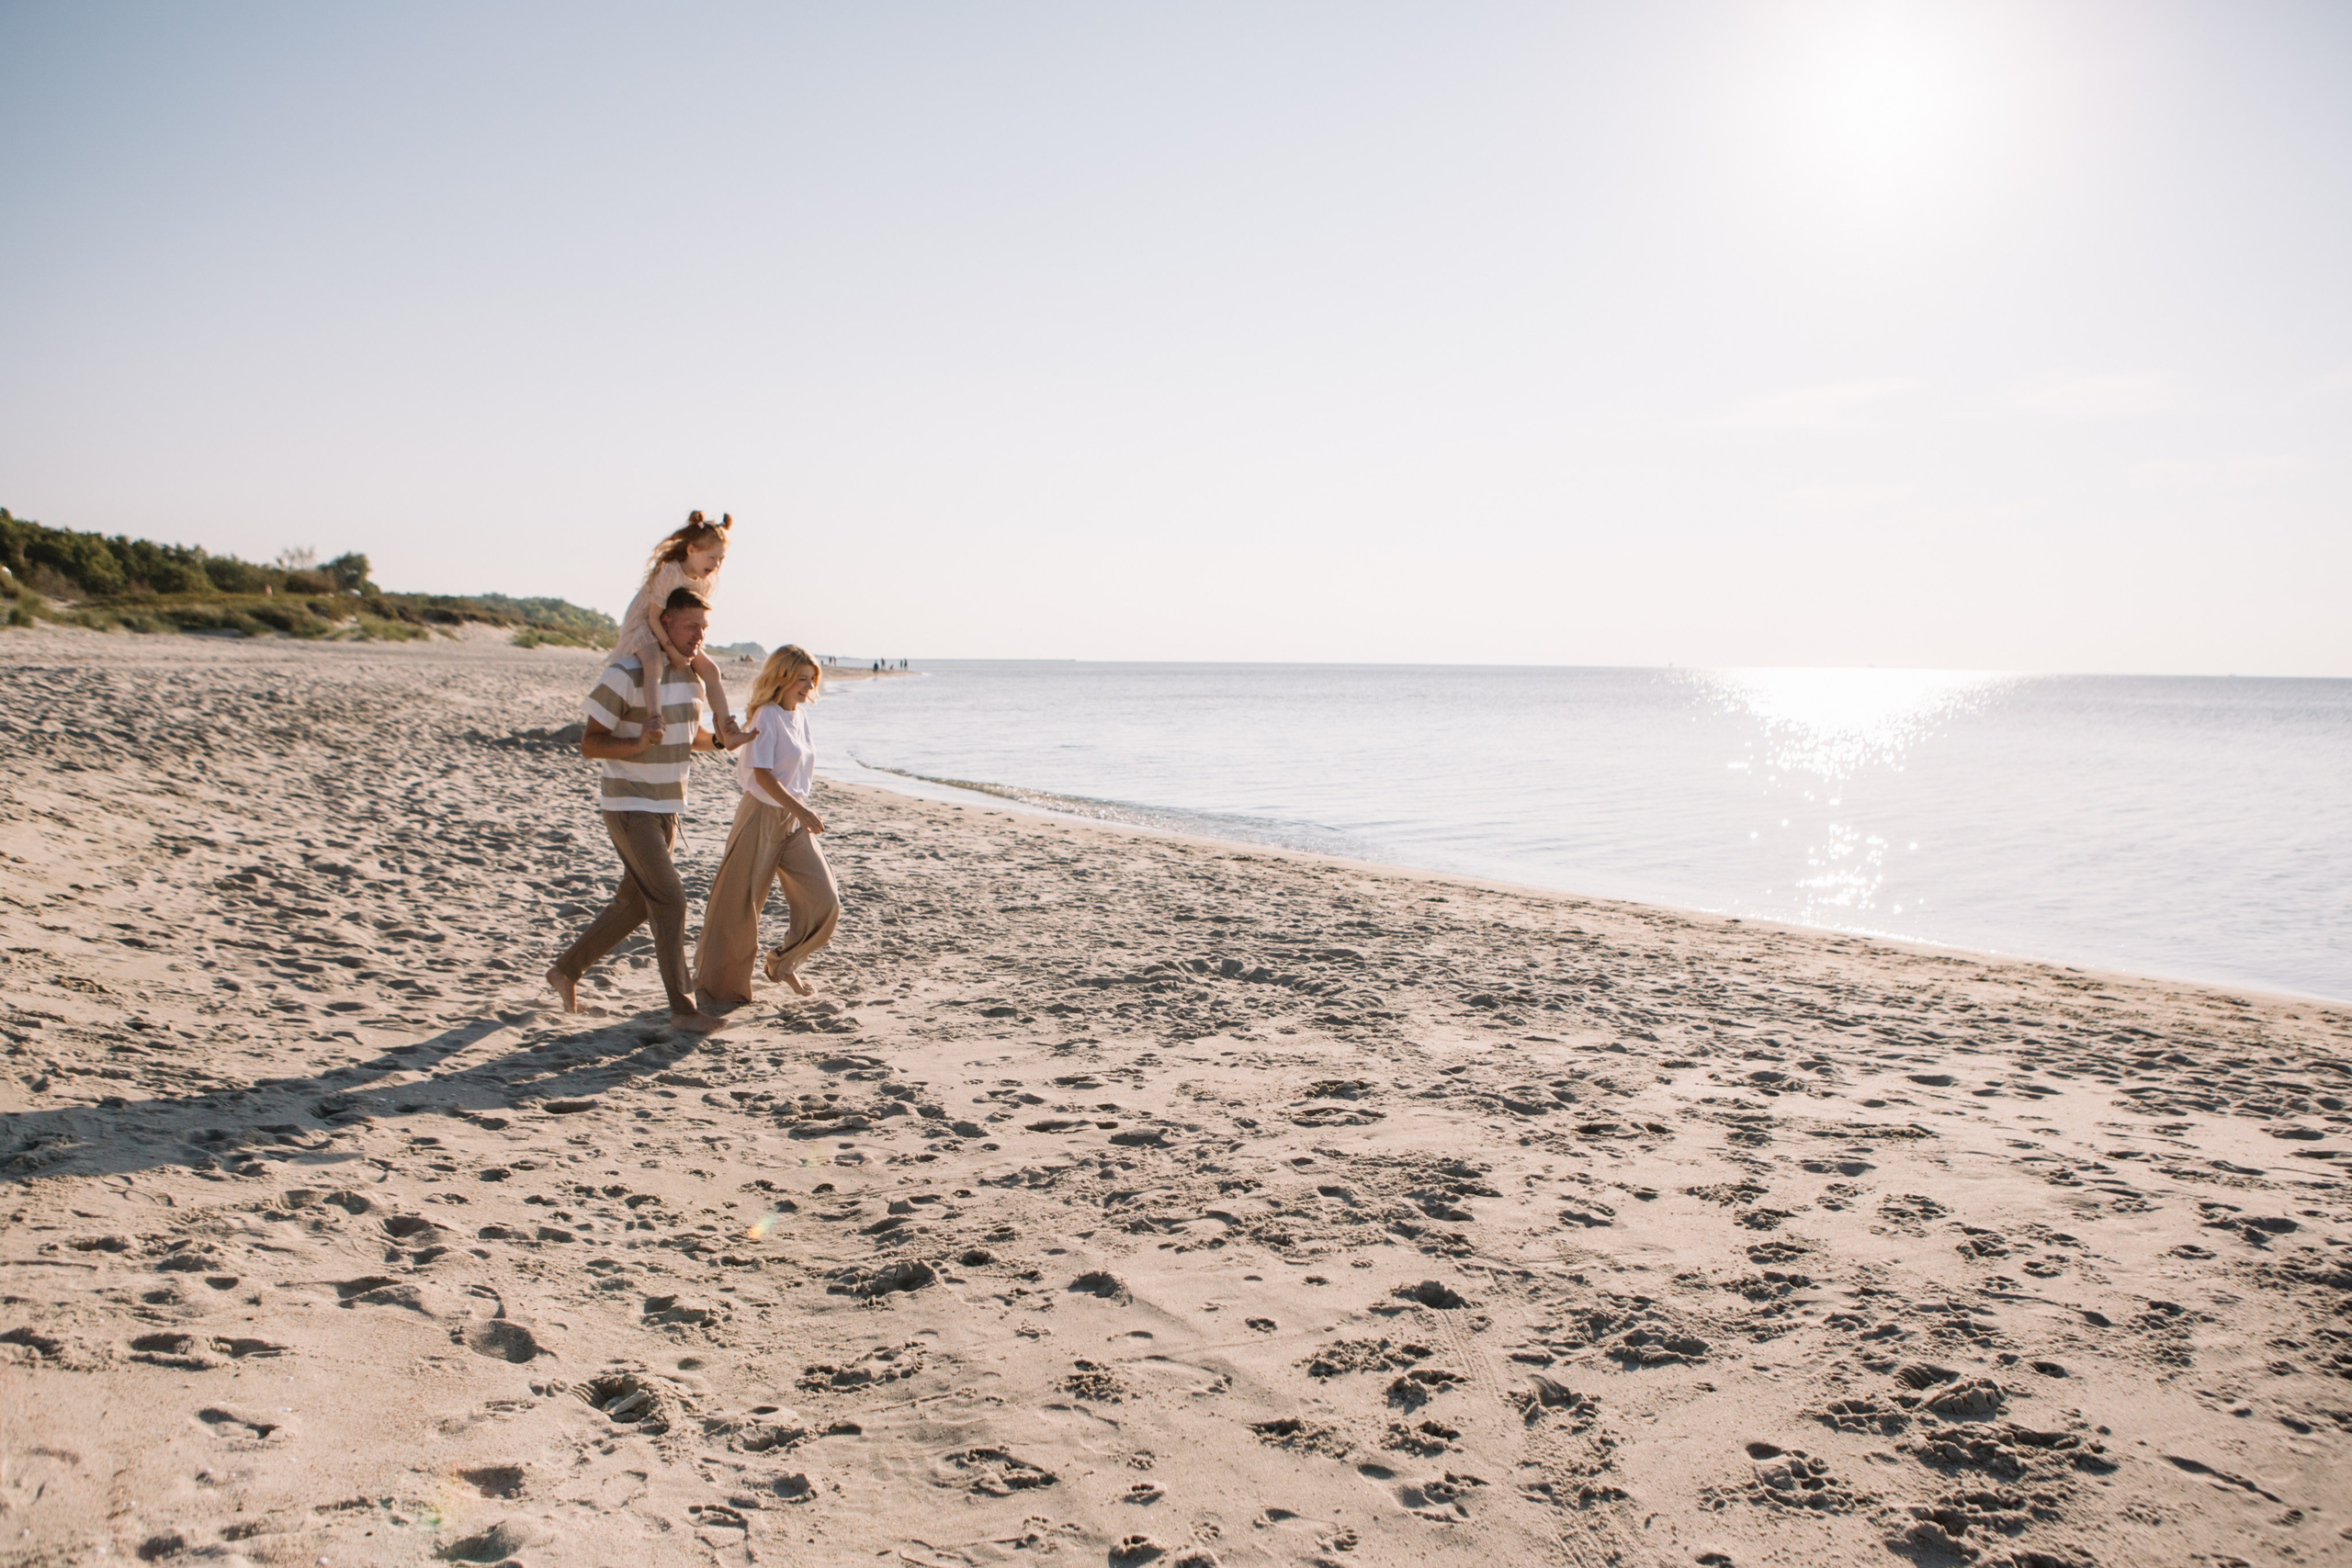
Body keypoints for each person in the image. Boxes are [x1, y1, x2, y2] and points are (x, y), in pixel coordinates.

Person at [546, 587, 734, 1033]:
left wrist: (725, 739)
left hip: (667, 807)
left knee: (633, 905)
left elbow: (688, 736)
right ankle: (683, 1011)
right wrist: (636, 742)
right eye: (691, 627)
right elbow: (590, 743)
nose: (698, 637)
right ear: (665, 622)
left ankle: (566, 971)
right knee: (670, 898)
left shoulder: (690, 676)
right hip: (629, 805)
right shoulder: (626, 673)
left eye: (704, 629)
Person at [693, 644, 840, 1005]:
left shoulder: (800, 717)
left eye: (811, 680)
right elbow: (762, 774)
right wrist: (802, 811)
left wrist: (798, 811)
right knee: (739, 905)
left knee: (825, 900)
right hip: (761, 812)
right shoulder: (766, 716)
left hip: (791, 817)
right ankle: (720, 986)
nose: (807, 687)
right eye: (800, 679)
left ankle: (782, 964)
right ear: (782, 678)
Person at [612, 511, 744, 749]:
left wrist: (694, 650)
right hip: (645, 625)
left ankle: (728, 730)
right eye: (712, 558)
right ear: (692, 550)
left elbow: (694, 617)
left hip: (675, 627)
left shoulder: (706, 581)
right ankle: (655, 719)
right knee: (653, 664)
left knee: (711, 670)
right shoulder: (671, 571)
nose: (716, 565)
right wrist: (673, 652)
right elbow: (653, 618)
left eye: (721, 560)